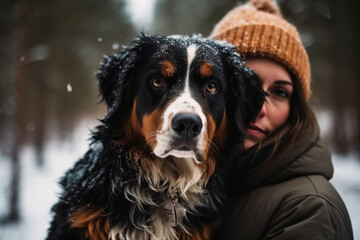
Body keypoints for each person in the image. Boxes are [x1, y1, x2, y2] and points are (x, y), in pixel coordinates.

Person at [209, 0, 354, 239]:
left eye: (280, 93)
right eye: (247, 85)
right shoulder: (183, 192)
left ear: (295, 109)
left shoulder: (310, 209)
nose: (260, 108)